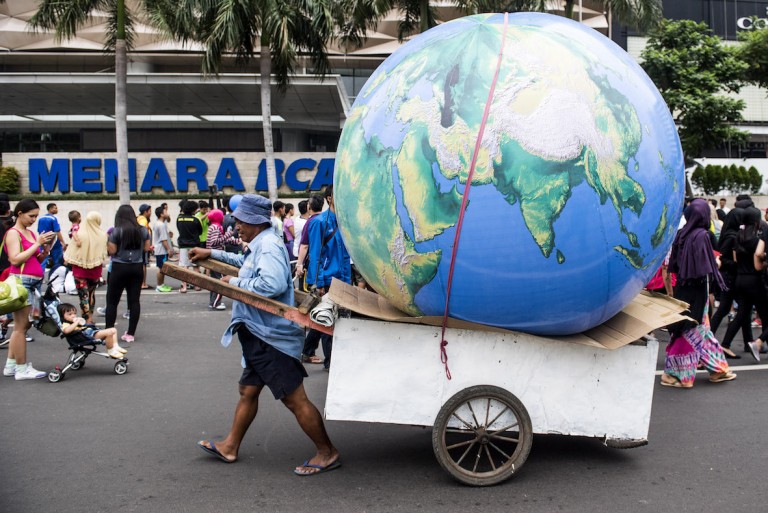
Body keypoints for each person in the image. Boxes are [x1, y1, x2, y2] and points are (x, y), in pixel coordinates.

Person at [189, 194, 340, 475]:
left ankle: (327, 451)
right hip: (257, 332)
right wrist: (213, 255)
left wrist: (234, 282)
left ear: (256, 222)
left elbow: (269, 284)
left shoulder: (269, 246)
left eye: (242, 222)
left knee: (295, 400)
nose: (237, 226)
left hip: (271, 337)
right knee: (248, 391)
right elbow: (244, 263)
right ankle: (230, 446)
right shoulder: (261, 242)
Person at [661, 198, 736, 388]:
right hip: (698, 290)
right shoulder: (702, 235)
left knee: (694, 329)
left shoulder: (680, 234)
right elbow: (704, 268)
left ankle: (718, 369)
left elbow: (674, 265)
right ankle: (681, 376)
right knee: (692, 330)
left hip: (682, 289)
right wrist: (717, 263)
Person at [2, 199, 56, 380]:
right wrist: (37, 243)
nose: (34, 219)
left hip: (32, 282)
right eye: (31, 216)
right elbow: (15, 259)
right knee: (20, 327)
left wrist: (45, 251)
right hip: (21, 283)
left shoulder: (30, 233)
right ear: (19, 214)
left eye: (36, 216)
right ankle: (21, 368)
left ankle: (11, 365)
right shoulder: (13, 233)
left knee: (23, 325)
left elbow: (33, 259)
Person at [303, 186, 351, 370]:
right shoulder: (319, 222)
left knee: (331, 318)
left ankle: (308, 350)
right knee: (328, 321)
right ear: (330, 198)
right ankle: (331, 362)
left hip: (342, 279)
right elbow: (315, 253)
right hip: (327, 280)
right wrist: (318, 282)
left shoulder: (343, 221)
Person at [720, 207, 768, 362]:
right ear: (756, 222)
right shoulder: (758, 241)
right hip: (755, 281)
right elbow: (757, 264)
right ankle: (759, 343)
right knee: (765, 315)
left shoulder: (737, 238)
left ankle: (725, 344)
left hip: (740, 280)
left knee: (742, 314)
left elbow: (736, 260)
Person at [105, 205, 151, 343]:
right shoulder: (142, 230)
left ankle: (109, 333)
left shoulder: (116, 231)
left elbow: (112, 251)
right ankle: (130, 334)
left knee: (112, 301)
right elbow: (147, 248)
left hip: (119, 267)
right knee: (134, 301)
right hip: (137, 267)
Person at [63, 211, 108, 323]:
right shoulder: (102, 235)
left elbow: (71, 251)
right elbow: (104, 253)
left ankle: (85, 319)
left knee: (83, 295)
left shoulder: (79, 233)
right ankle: (90, 318)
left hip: (79, 269)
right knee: (91, 293)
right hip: (95, 269)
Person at [58, 303, 127, 359]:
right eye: (70, 314)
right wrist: (76, 323)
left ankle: (115, 346)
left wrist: (80, 321)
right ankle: (111, 350)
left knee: (113, 329)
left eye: (74, 313)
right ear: (62, 316)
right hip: (86, 336)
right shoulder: (66, 324)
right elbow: (66, 331)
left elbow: (84, 324)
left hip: (90, 332)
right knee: (109, 333)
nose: (73, 316)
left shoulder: (73, 322)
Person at [176, 200, 203, 293]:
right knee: (195, 266)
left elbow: (178, 229)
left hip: (183, 245)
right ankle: (197, 286)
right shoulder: (195, 219)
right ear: (193, 210)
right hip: (194, 245)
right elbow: (200, 231)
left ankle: (184, 287)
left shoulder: (179, 219)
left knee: (184, 266)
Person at [37, 202, 67, 275]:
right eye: (55, 208)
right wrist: (62, 242)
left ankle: (40, 276)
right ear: (50, 209)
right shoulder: (53, 219)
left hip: (43, 242)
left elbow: (39, 230)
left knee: (43, 260)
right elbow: (57, 231)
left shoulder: (41, 218)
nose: (57, 209)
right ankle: (55, 277)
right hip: (55, 243)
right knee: (57, 261)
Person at [153, 206, 174, 292]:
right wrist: (169, 249)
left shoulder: (159, 223)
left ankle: (161, 284)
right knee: (161, 268)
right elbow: (163, 240)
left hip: (160, 250)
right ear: (161, 214)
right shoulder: (161, 225)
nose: (167, 213)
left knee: (162, 268)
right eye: (165, 212)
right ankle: (159, 286)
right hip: (161, 250)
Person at [136, 204, 152, 289]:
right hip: (143, 245)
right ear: (145, 212)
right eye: (149, 211)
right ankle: (143, 283)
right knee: (143, 264)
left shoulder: (138, 218)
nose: (151, 213)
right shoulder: (143, 219)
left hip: (140, 245)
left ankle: (142, 283)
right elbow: (142, 229)